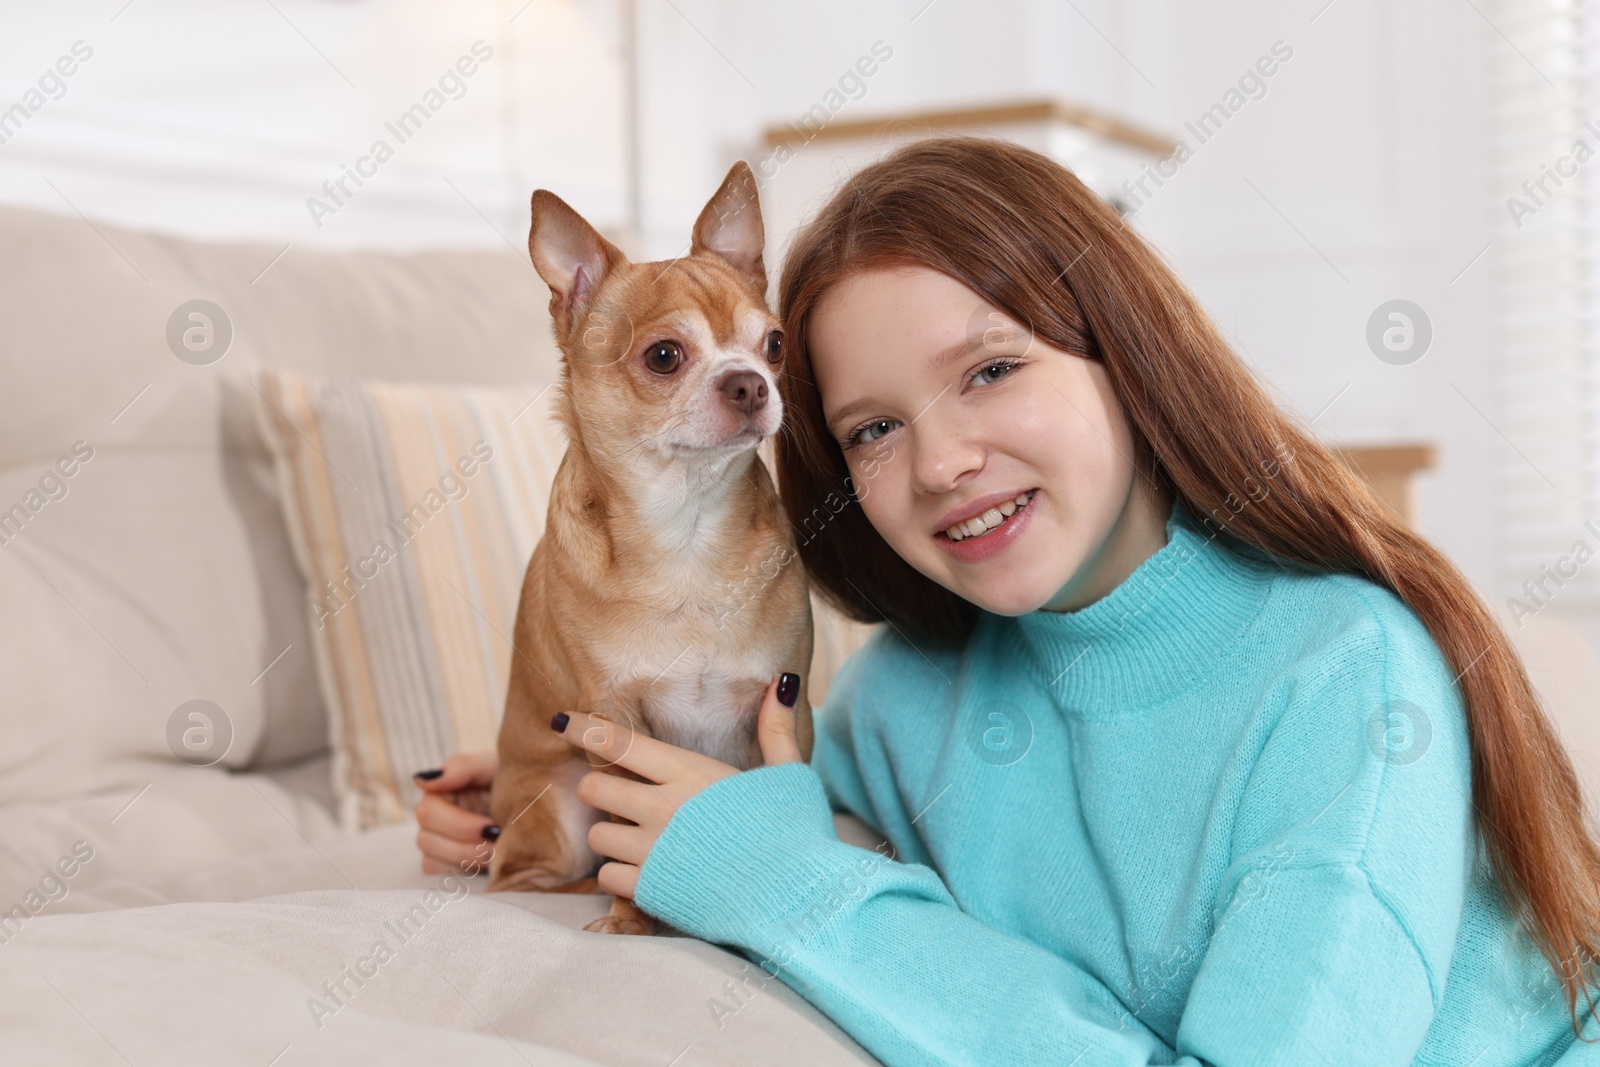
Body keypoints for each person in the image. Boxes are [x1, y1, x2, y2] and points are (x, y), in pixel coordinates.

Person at [414, 136, 1600, 1065]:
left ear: (1124, 351)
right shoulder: (903, 692)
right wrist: (545, 774)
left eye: (990, 369)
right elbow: (771, 814)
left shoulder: (1348, 681)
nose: (940, 464)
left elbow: (791, 867)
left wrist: (782, 883)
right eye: (873, 427)